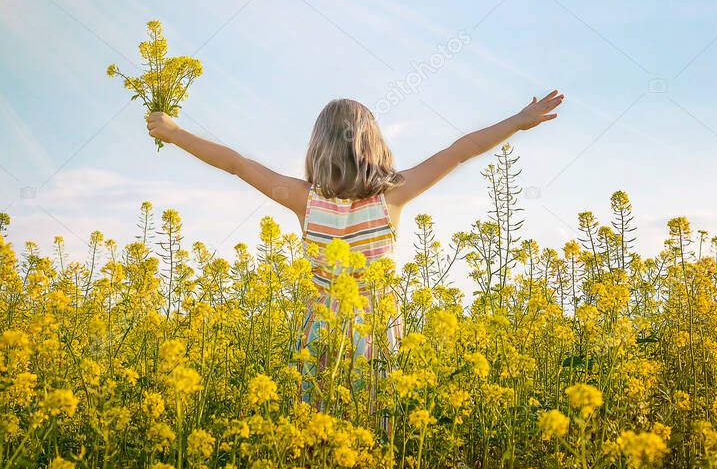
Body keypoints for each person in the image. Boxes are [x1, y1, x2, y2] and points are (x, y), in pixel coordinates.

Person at [145, 91, 564, 405]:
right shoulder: (393, 197)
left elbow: (236, 163)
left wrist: (176, 133)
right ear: (375, 145)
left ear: (318, 148)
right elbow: (457, 153)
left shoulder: (302, 199)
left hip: (319, 332)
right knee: (373, 431)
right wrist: (518, 120)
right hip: (376, 335)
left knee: (315, 436)